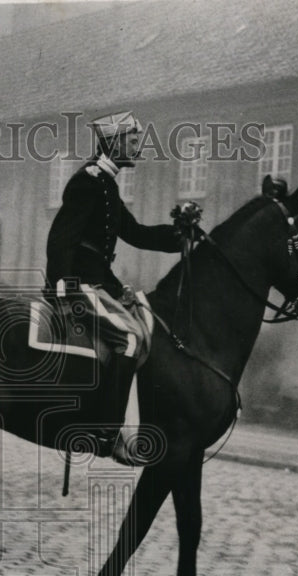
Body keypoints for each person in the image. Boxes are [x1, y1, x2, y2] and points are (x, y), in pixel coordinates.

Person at [45, 111, 197, 462]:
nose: (138, 145)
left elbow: (136, 233)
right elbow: (61, 240)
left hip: (97, 283)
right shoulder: (88, 180)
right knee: (128, 340)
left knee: (144, 330)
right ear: (113, 142)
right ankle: (106, 434)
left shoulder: (107, 183)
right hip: (78, 285)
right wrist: (62, 286)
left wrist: (182, 235)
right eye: (131, 140)